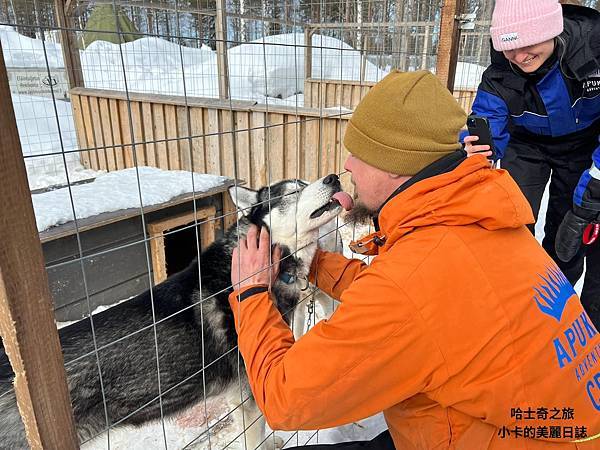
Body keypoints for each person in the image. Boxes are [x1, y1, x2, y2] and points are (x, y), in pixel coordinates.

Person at [229, 70, 600, 449]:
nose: (349, 167)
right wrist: (316, 263)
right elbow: (421, 305)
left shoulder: (412, 282)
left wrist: (250, 295)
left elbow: (285, 399)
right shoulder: (477, 218)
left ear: (395, 163)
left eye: (360, 153)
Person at [463, 0, 600, 326]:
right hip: (526, 145)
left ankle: (558, 314)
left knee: (569, 230)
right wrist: (477, 150)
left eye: (528, 44)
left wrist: (589, 196)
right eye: (510, 49)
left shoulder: (593, 47)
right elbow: (487, 121)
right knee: (513, 215)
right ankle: (515, 303)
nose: (519, 56)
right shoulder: (501, 73)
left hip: (586, 145)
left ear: (550, 30)